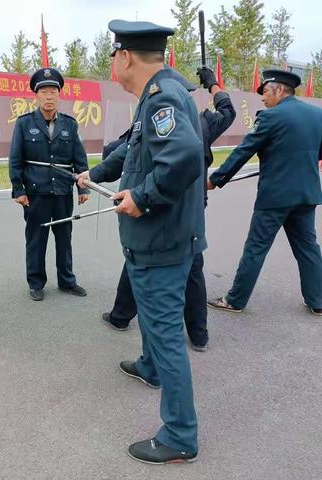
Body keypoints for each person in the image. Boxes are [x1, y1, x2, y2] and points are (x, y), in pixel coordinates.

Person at [77, 20, 205, 465]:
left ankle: (180, 435)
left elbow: (185, 157)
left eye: (113, 55)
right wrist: (94, 173)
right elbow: (133, 151)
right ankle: (149, 367)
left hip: (160, 240)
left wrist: (143, 198)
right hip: (160, 238)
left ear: (125, 57)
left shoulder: (162, 98)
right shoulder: (159, 94)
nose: (112, 62)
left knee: (167, 333)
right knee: (155, 324)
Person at [101, 66, 236, 352]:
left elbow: (125, 147)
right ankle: (198, 334)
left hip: (161, 205)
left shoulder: (163, 111)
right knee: (192, 269)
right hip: (193, 209)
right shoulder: (203, 122)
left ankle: (122, 317)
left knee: (141, 262)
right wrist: (213, 85)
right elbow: (228, 110)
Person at [207, 69, 322, 316]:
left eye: (266, 92)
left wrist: (216, 179)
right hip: (306, 194)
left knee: (256, 248)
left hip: (275, 196)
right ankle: (318, 301)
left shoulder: (271, 117)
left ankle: (235, 300)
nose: (263, 98)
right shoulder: (317, 115)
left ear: (280, 90)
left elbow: (244, 151)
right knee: (308, 247)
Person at [9, 68, 89, 301]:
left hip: (63, 192)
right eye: (44, 91)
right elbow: (15, 160)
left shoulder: (69, 125)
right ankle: (36, 283)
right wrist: (18, 189)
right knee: (36, 239)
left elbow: (79, 158)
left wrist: (82, 188)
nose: (49, 96)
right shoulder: (24, 124)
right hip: (36, 193)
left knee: (64, 238)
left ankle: (67, 281)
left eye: (53, 91)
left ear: (59, 95)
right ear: (36, 96)